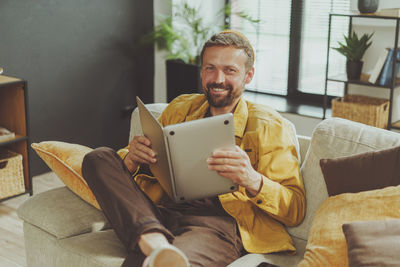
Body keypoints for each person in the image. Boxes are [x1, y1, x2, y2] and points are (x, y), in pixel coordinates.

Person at [82, 30, 305, 267]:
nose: (218, 79)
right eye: (210, 68)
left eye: (230, 70)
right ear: (201, 72)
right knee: (99, 158)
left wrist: (252, 179)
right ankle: (155, 241)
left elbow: (295, 208)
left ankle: (150, 244)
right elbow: (128, 167)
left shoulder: (270, 126)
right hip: (159, 211)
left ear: (248, 76)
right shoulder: (180, 107)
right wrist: (132, 160)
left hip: (216, 225)